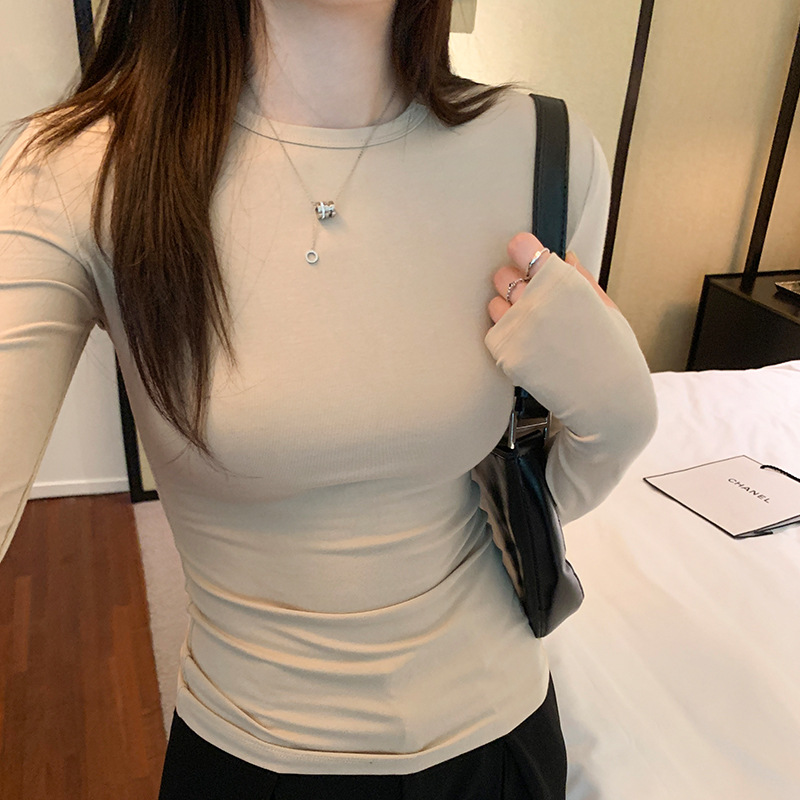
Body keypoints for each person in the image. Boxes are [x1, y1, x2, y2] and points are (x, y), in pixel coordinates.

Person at [0, 0, 658, 797]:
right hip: (252, 756)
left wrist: (621, 418)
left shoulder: (550, 153)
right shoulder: (76, 173)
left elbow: (527, 495)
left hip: (503, 738)